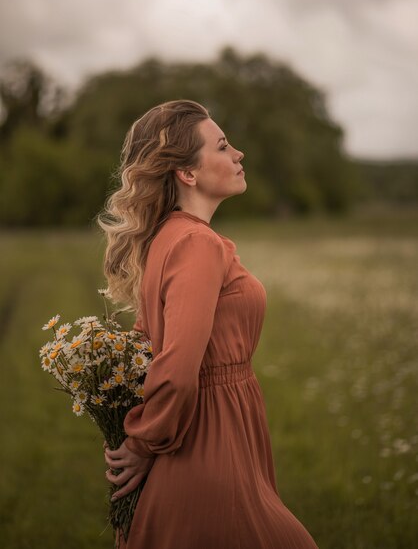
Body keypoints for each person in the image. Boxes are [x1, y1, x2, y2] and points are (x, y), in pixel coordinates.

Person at [98, 99, 319, 548]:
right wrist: (142, 444)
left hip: (214, 434)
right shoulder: (196, 243)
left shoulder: (171, 237)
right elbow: (176, 369)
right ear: (188, 173)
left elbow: (146, 347)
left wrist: (141, 435)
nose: (238, 154)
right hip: (208, 442)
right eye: (222, 146)